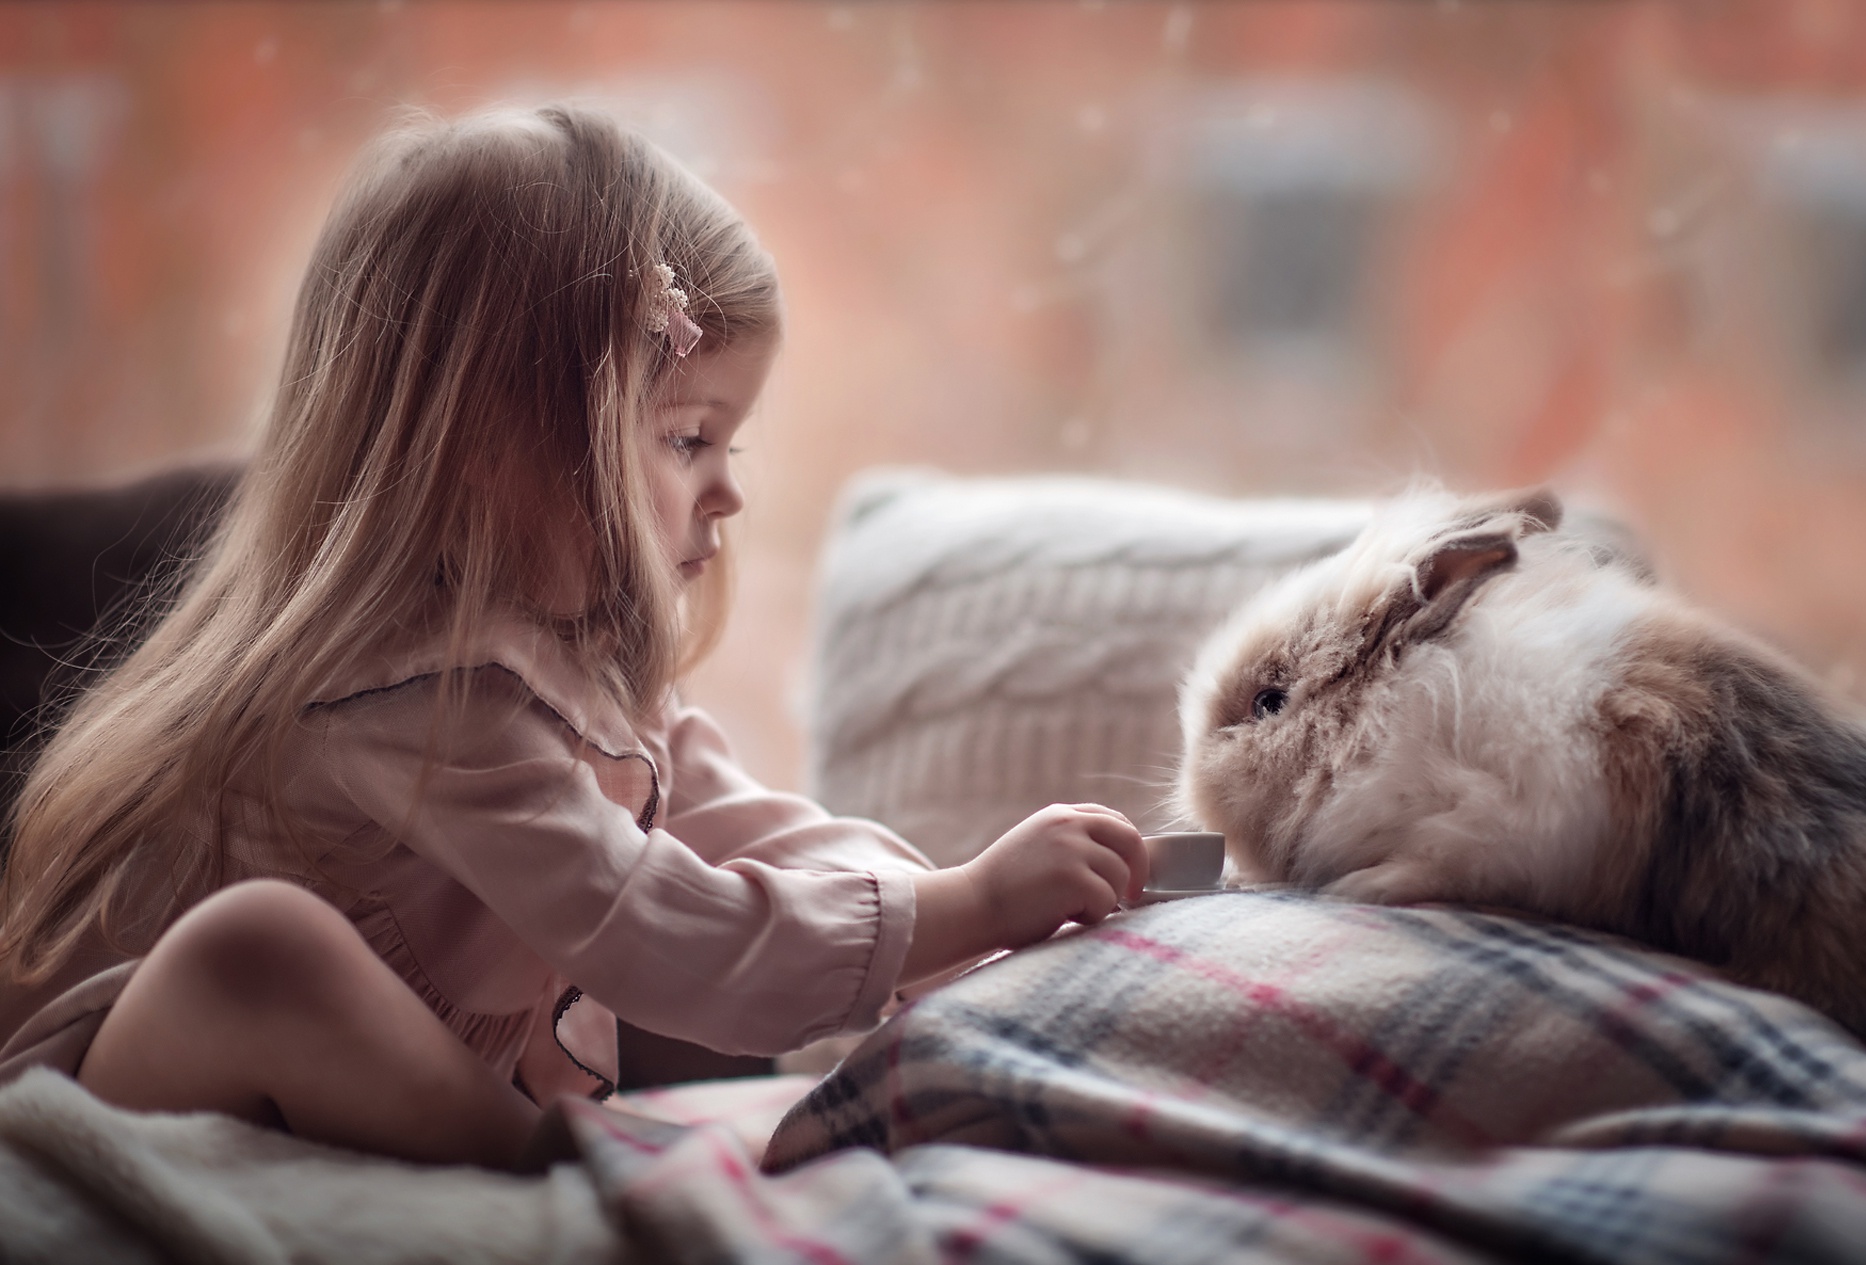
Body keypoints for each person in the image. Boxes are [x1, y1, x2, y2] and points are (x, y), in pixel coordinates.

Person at [0, 104, 1146, 1169]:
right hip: (153, 1091)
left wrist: (945, 910)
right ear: (498, 446)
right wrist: (965, 907)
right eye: (690, 437)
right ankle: (556, 1179)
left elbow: (755, 830)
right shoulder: (420, 694)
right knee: (257, 952)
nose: (726, 495)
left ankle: (543, 1161)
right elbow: (655, 927)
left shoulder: (581, 669)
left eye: (729, 446)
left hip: (347, 1119)